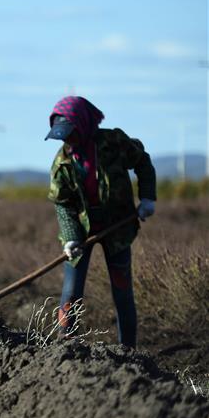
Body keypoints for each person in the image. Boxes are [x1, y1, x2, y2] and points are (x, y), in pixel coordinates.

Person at [45, 96, 156, 348]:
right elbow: (62, 202)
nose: (67, 140)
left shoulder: (113, 143)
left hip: (118, 226)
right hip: (81, 233)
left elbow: (142, 162)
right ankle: (66, 347)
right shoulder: (62, 163)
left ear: (83, 125)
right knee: (71, 291)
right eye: (62, 136)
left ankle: (128, 350)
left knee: (122, 291)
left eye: (70, 134)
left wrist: (147, 197)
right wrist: (72, 236)